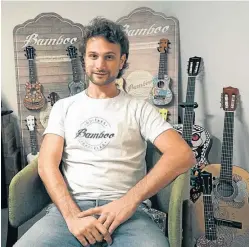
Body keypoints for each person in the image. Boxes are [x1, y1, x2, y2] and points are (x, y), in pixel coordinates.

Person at [14, 17, 195, 247]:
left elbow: (182, 154)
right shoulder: (63, 107)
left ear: (122, 61)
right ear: (84, 59)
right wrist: (71, 216)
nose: (100, 65)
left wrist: (128, 202)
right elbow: (46, 164)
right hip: (71, 210)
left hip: (129, 214)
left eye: (109, 56)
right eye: (93, 56)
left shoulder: (139, 108)